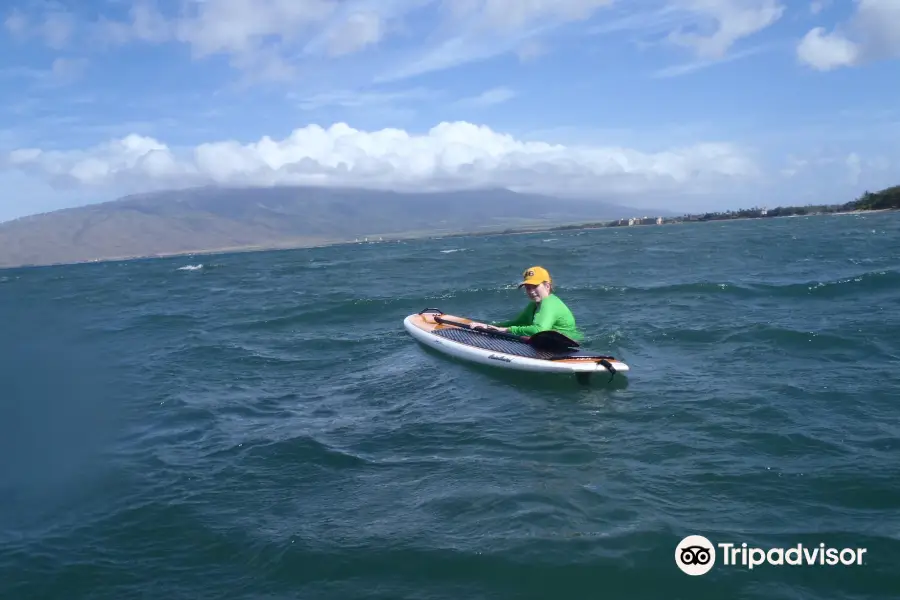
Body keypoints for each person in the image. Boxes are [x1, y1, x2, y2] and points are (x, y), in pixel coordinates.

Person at [470, 266, 584, 341]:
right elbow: (518, 323)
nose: (531, 291)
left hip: (571, 346)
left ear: (547, 286)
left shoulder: (549, 303)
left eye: (535, 286)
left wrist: (507, 330)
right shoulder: (534, 305)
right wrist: (491, 327)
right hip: (550, 343)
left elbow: (540, 330)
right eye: (528, 288)